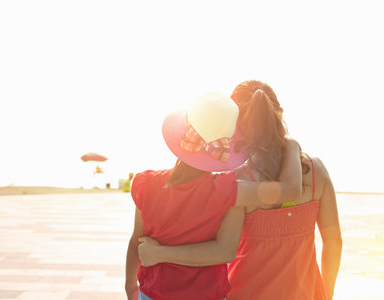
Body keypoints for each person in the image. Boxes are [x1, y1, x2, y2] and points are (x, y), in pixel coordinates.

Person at [137, 80, 342, 300]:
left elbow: (221, 249)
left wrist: (160, 254)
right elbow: (333, 240)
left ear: (235, 127)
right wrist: (327, 293)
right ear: (279, 114)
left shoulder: (235, 182)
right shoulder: (316, 170)